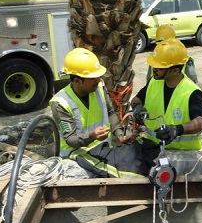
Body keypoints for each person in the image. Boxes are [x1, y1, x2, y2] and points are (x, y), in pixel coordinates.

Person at [50, 48, 148, 178]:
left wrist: (119, 135)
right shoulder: (61, 103)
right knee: (127, 174)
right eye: (92, 78)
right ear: (77, 81)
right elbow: (70, 139)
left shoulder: (98, 87)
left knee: (140, 157)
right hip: (78, 154)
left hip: (103, 149)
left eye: (98, 76)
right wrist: (91, 136)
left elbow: (110, 112)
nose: (98, 80)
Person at [131, 38, 202, 165]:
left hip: (185, 156)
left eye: (159, 67)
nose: (154, 69)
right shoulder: (154, 82)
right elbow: (136, 99)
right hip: (154, 150)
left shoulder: (192, 92)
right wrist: (137, 107)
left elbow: (201, 123)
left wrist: (177, 130)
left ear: (175, 71)